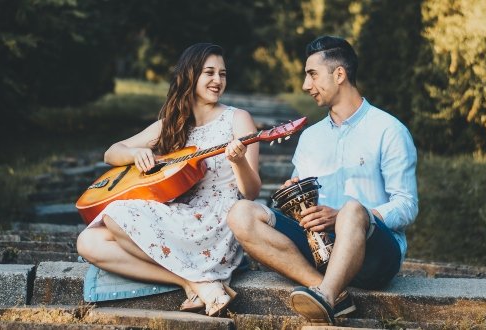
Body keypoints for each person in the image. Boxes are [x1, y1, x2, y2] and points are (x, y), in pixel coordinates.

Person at [227, 36, 418, 325]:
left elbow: (407, 206)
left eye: (312, 74)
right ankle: (330, 293)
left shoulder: (389, 131)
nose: (306, 85)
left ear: (339, 74)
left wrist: (344, 217)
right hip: (318, 248)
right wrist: (289, 197)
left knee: (353, 209)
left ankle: (326, 296)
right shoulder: (310, 137)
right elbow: (299, 197)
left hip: (374, 255)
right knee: (241, 213)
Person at [76, 43, 261, 317]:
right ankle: (192, 282)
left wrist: (238, 161)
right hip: (180, 215)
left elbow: (252, 192)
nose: (217, 80)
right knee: (87, 242)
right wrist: (136, 153)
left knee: (114, 215)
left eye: (222, 74)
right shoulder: (173, 123)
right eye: (209, 72)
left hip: (217, 224)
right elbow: (111, 152)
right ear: (190, 75)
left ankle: (200, 279)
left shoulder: (238, 119)